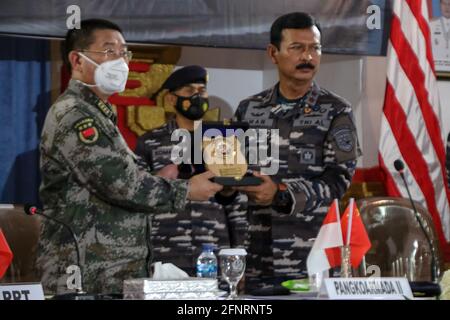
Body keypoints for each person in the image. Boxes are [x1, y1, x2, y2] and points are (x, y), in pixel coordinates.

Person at [38, 19, 223, 295]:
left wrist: (156, 179)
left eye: (125, 52)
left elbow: (117, 182)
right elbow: (122, 186)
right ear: (77, 60)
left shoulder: (98, 115)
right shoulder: (76, 115)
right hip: (86, 277)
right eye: (109, 51)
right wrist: (188, 190)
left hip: (109, 275)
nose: (121, 61)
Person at [233, 12, 361, 291]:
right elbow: (233, 173)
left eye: (314, 48)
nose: (308, 57)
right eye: (297, 48)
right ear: (273, 53)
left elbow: (338, 181)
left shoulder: (337, 110)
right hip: (257, 252)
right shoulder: (248, 109)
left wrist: (281, 194)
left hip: (312, 252)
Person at [135, 66, 248, 276]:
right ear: (171, 100)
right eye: (189, 91)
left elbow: (237, 203)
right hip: (165, 251)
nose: (197, 96)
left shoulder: (222, 140)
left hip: (213, 250)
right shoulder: (150, 142)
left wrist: (239, 254)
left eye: (201, 90)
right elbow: (138, 196)